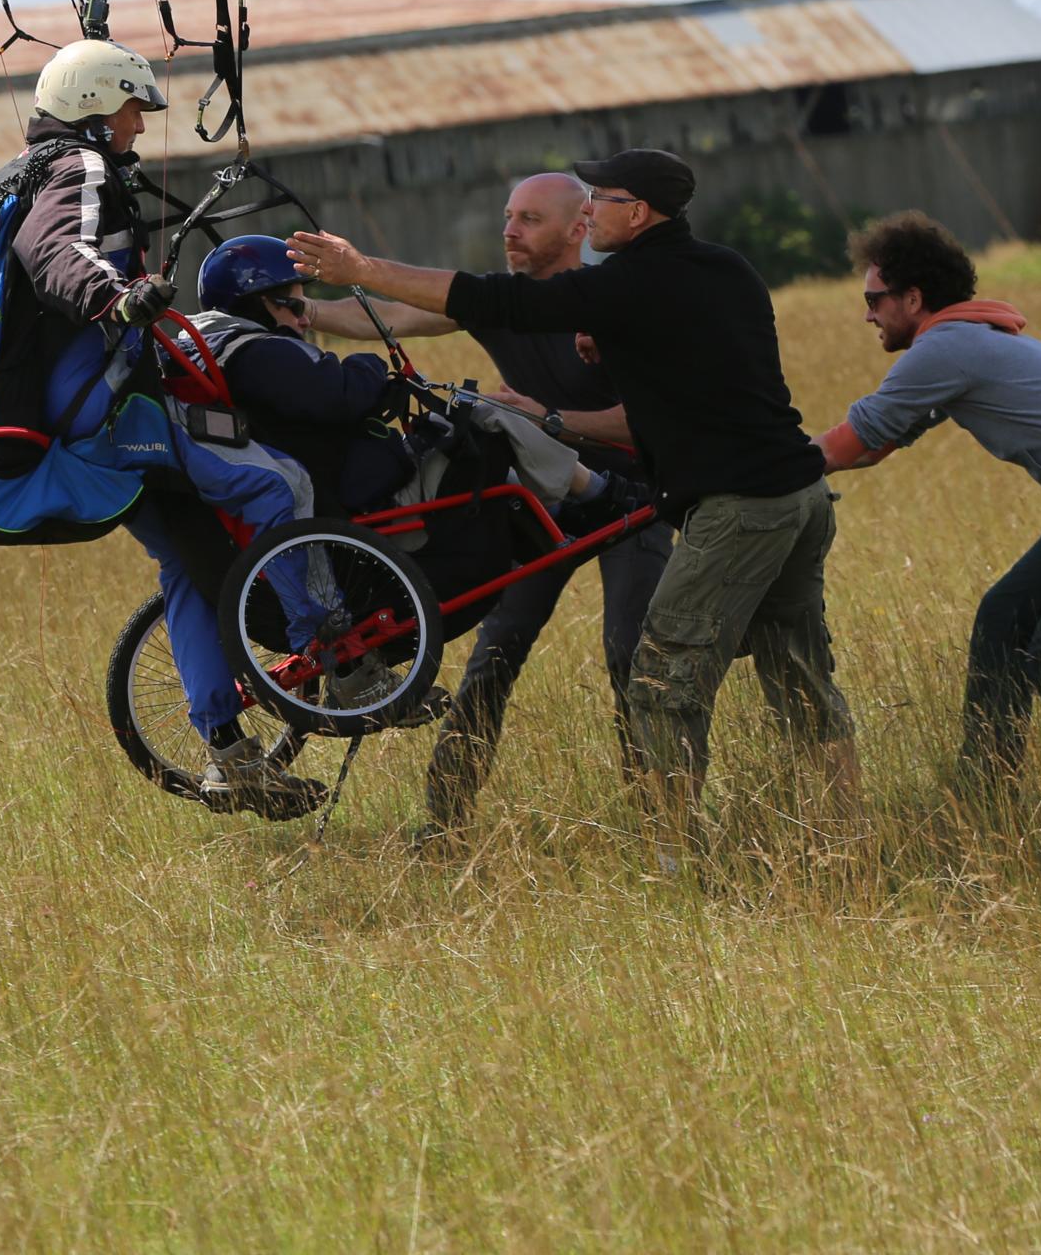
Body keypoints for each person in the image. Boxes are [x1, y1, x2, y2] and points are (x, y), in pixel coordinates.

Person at [290, 149, 860, 860]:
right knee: (796, 675)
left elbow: (502, 305)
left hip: (688, 504)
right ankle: (849, 840)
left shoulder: (617, 288)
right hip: (780, 494)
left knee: (653, 672)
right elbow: (686, 376)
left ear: (635, 214)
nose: (589, 209)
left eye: (599, 198)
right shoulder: (722, 269)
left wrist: (363, 267)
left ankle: (672, 857)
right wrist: (303, 310)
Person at [0, 39, 322, 816]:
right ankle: (332, 649)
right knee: (273, 486)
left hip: (66, 417)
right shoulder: (79, 169)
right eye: (131, 108)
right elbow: (55, 248)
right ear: (94, 106)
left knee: (188, 561)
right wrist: (114, 297)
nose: (139, 125)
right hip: (96, 412)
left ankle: (228, 753)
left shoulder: (43, 166)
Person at [305, 173, 674, 836]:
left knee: (630, 652)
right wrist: (299, 310)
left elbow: (646, 421)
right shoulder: (498, 300)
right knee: (494, 653)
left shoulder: (612, 304)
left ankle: (660, 820)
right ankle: (443, 823)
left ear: (578, 229)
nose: (509, 230)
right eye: (508, 216)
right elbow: (388, 317)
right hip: (540, 502)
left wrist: (549, 419)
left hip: (632, 503)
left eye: (529, 219)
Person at [815, 213, 1041, 800]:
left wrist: (761, 466)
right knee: (1005, 615)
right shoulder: (967, 341)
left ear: (912, 298)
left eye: (873, 299)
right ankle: (986, 793)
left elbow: (848, 443)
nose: (867, 315)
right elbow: (874, 446)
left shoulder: (945, 348)